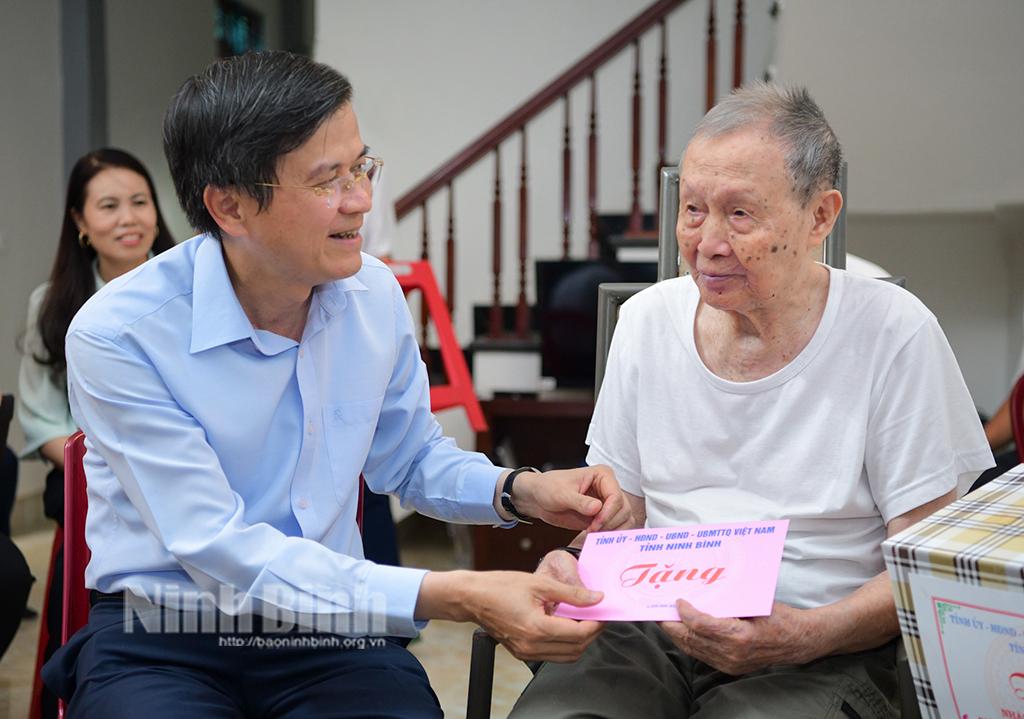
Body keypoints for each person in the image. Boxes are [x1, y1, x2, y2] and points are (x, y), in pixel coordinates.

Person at [42, 51, 631, 718]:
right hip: (168, 631)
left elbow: (406, 456)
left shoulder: (372, 295)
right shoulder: (120, 333)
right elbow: (220, 550)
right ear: (230, 205)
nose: (361, 200)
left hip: (328, 627)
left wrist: (518, 490)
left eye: (361, 166)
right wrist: (457, 593)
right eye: (327, 181)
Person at [509, 83, 993, 719]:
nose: (707, 241)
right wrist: (567, 563)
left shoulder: (894, 333)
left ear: (821, 216)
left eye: (740, 214)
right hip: (649, 627)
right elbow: (617, 519)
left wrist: (807, 634)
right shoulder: (647, 321)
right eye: (691, 210)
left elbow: (926, 564)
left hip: (822, 642)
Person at [16, 147, 176, 717]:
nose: (128, 218)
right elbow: (41, 417)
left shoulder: (195, 287)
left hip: (184, 469)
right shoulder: (53, 304)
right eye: (108, 206)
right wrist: (106, 463)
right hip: (89, 474)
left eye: (139, 202)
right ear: (81, 223)